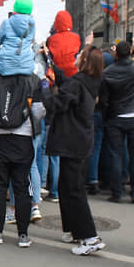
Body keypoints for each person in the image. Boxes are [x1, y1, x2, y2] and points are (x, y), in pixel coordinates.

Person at [42, 45, 106, 253]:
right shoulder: (90, 81)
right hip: (81, 139)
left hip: (73, 141)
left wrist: (43, 91)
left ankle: (89, 237)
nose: (76, 56)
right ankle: (71, 230)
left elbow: (59, 102)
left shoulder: (78, 84)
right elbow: (67, 83)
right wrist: (49, 58)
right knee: (65, 185)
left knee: (74, 189)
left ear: (85, 62)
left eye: (80, 55)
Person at [0, 67, 45, 248]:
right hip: (23, 140)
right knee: (22, 186)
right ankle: (23, 234)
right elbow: (39, 112)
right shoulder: (32, 78)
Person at [98, 40, 134, 203]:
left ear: (116, 53)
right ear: (129, 53)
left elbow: (104, 100)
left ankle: (117, 192)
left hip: (116, 116)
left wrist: (107, 116)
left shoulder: (108, 73)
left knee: (117, 155)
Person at [0, 0, 37, 77]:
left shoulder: (6, 22)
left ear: (15, 8)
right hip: (26, 66)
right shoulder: (32, 24)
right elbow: (31, 40)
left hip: (5, 67)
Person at [46, 10, 82, 77]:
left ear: (56, 23)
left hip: (58, 75)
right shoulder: (76, 37)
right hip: (74, 73)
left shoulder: (51, 40)